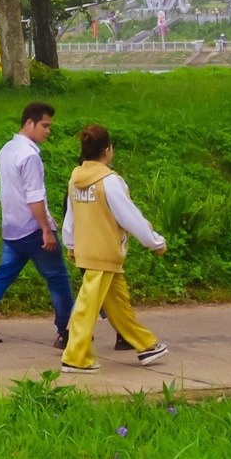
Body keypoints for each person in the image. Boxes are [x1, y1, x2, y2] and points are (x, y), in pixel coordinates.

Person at [59, 125, 170, 373]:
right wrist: (154, 241)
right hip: (106, 252)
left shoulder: (75, 178)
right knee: (88, 306)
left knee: (118, 303)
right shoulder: (110, 181)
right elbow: (130, 217)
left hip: (88, 251)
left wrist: (71, 244)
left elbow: (71, 216)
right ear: (107, 151)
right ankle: (75, 357)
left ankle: (145, 345)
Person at [0, 102, 74, 349]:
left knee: (3, 274)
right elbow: (35, 197)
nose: (48, 131)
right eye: (45, 125)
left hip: (12, 228)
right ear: (30, 123)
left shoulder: (6, 149)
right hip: (34, 230)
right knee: (57, 279)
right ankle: (65, 331)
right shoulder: (30, 155)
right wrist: (46, 230)